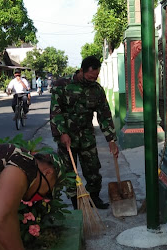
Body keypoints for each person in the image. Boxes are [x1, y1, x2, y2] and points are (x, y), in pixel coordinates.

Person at [49, 55, 119, 210]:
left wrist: (111, 140)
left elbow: (104, 115)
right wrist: (62, 133)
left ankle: (95, 197)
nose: (93, 79)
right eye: (90, 76)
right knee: (69, 171)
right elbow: (56, 112)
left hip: (86, 135)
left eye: (96, 77)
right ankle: (76, 202)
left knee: (93, 168)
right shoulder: (62, 85)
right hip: (66, 137)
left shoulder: (96, 90)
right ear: (81, 71)